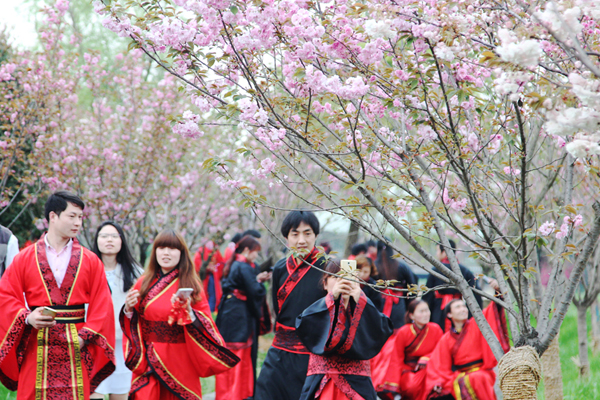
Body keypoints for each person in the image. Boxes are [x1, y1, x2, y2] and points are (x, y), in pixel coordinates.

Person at [0, 191, 116, 399]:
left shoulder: (90, 260)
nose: (77, 223)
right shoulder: (25, 258)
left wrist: (86, 335)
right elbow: (6, 296)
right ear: (53, 216)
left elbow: (102, 303)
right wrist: (28, 317)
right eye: (72, 216)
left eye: (80, 217)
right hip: (37, 342)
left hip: (76, 343)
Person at [121, 229, 240, 399]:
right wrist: (128, 309)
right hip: (149, 359)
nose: (166, 253)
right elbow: (134, 320)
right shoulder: (144, 281)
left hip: (180, 360)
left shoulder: (191, 283)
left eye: (172, 248)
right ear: (155, 251)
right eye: (161, 248)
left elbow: (206, 322)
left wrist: (190, 313)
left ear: (181, 253)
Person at [255, 210, 327, 400]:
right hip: (279, 350)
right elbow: (278, 310)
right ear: (287, 237)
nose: (301, 240)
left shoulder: (327, 268)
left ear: (316, 236)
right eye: (295, 234)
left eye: (307, 233)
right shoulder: (280, 267)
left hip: (311, 352)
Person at [296, 260, 393, 399]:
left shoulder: (364, 307)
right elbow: (304, 326)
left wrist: (361, 298)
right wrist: (332, 298)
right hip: (323, 381)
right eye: (335, 277)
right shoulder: (316, 310)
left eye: (347, 276)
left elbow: (382, 329)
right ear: (325, 283)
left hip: (357, 383)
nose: (342, 281)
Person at [91, 221, 143, 400]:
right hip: (95, 343)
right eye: (104, 236)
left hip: (123, 344)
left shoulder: (136, 273)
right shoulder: (87, 269)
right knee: (93, 393)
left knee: (120, 394)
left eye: (114, 236)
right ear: (97, 240)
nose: (109, 240)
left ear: (122, 241)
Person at [215, 235, 271, 400]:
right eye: (255, 252)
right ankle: (239, 394)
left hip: (229, 313)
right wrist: (260, 283)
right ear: (247, 250)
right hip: (241, 317)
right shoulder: (244, 266)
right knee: (241, 356)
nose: (256, 256)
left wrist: (256, 280)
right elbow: (255, 291)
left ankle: (225, 394)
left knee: (228, 355)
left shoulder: (234, 264)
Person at [424, 299, 500, 400]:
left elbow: (490, 312)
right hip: (460, 375)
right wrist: (438, 382)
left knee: (477, 378)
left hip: (481, 371)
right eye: (458, 307)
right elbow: (438, 363)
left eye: (464, 306)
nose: (463, 309)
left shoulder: (476, 324)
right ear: (449, 314)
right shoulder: (446, 338)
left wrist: (498, 293)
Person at [371, 240, 418, 398]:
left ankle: (377, 380)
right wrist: (408, 306)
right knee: (397, 349)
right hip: (399, 311)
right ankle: (392, 383)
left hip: (379, 309)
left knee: (381, 348)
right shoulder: (401, 266)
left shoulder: (373, 265)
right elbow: (413, 287)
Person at [383, 300, 443, 400]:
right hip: (409, 370)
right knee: (411, 387)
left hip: (431, 369)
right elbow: (396, 358)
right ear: (411, 316)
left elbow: (441, 351)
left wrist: (427, 358)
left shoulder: (436, 329)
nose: (425, 314)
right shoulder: (404, 331)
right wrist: (394, 385)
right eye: (421, 311)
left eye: (427, 310)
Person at [422, 240, 482, 331]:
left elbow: (427, 296)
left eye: (438, 250)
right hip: (458, 311)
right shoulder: (464, 270)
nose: (437, 254)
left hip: (438, 312)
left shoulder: (435, 270)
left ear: (444, 252)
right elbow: (476, 294)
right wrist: (470, 316)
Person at [194, 240, 225, 311]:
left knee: (212, 295)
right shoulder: (201, 251)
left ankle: (210, 310)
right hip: (205, 277)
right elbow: (197, 265)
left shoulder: (214, 251)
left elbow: (221, 262)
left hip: (212, 277)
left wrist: (215, 267)